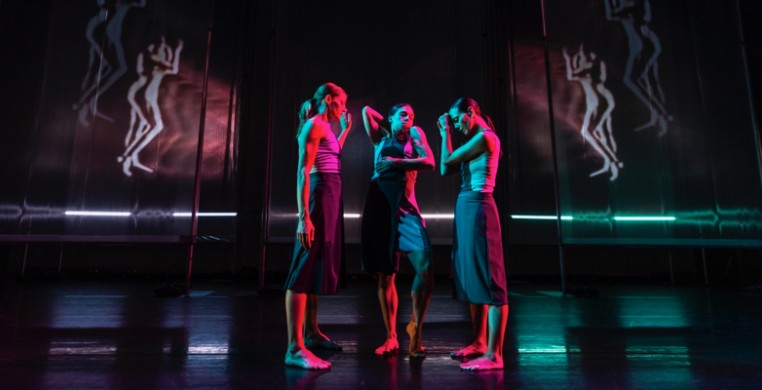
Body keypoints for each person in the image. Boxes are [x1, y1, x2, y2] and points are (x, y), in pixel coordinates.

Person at [437, 97, 509, 371]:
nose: (455, 125)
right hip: (467, 206)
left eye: (457, 120)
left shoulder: (485, 138)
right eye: (452, 123)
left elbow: (445, 163)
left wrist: (444, 132)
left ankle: (494, 354)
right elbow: (448, 167)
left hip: (479, 207)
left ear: (470, 112)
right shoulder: (476, 139)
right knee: (471, 277)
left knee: (491, 281)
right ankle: (479, 341)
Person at [284, 82, 352, 370]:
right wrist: (304, 216)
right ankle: (294, 348)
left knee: (316, 266)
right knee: (304, 266)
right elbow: (303, 170)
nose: (345, 108)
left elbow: (333, 154)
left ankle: (311, 333)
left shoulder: (328, 128)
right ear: (328, 99)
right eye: (342, 102)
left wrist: (346, 130)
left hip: (331, 196)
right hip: (319, 196)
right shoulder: (313, 126)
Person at [360, 104, 435, 358]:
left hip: (406, 211)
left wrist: (397, 162)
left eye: (412, 116)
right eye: (403, 115)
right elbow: (366, 111)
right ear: (392, 117)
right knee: (386, 276)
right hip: (380, 208)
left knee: (424, 268)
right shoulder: (380, 139)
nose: (409, 119)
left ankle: (415, 326)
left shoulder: (415, 135)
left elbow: (430, 162)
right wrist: (388, 122)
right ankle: (391, 336)